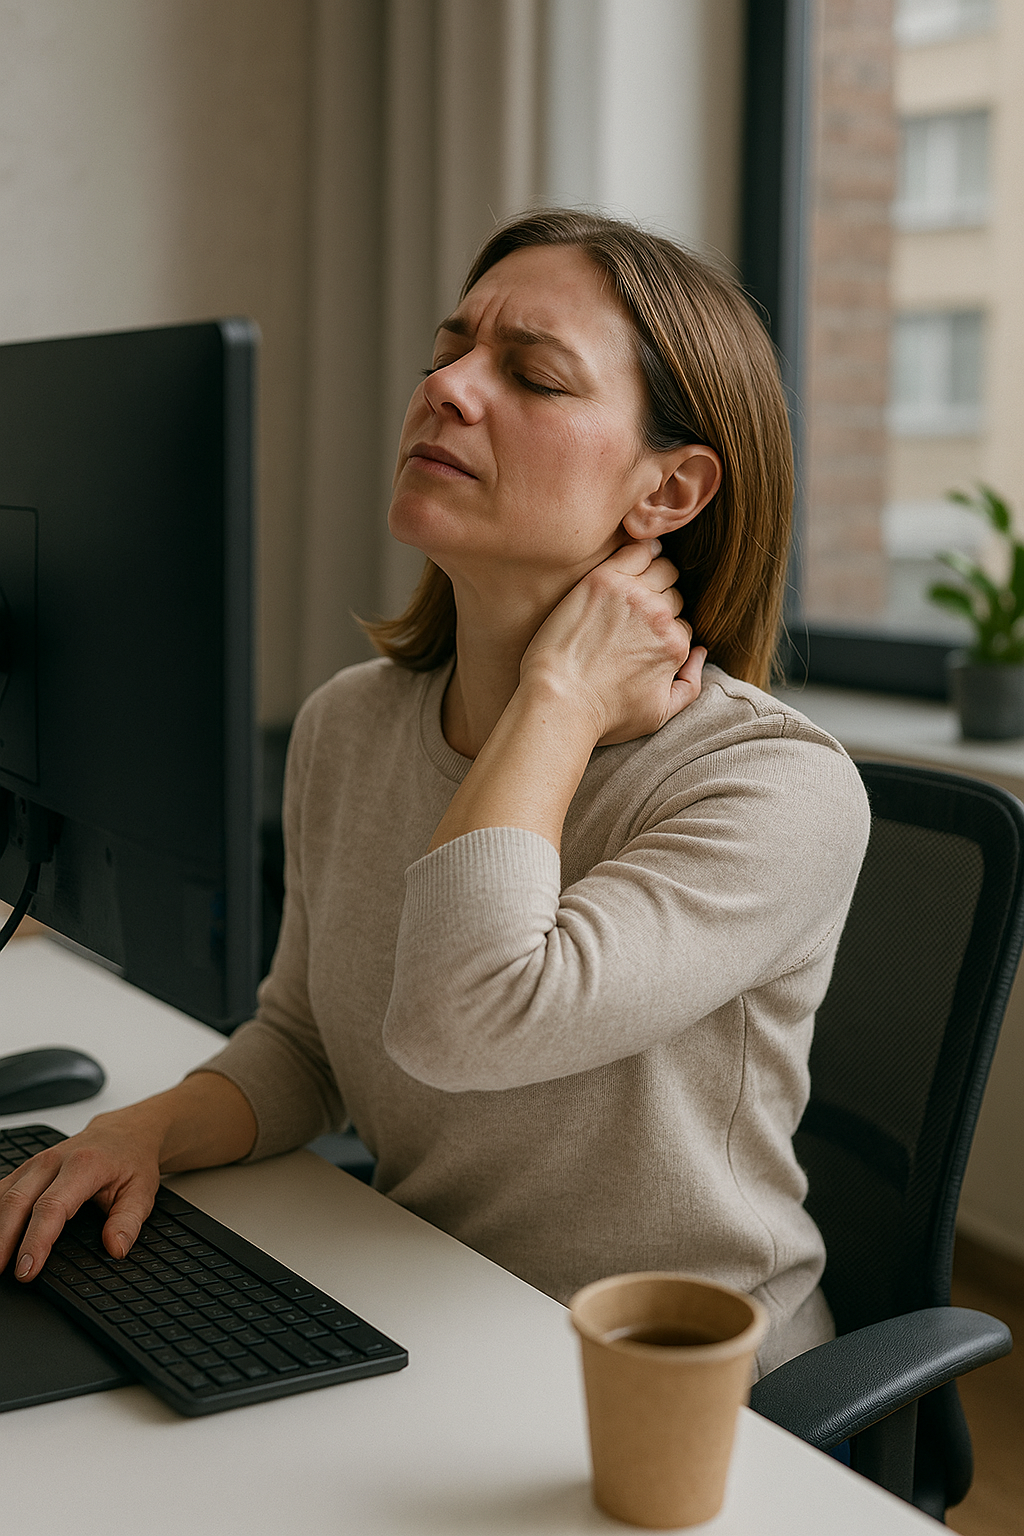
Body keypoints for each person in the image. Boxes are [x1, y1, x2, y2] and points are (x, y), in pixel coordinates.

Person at [0, 210, 869, 1376]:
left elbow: (467, 1022)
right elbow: (310, 1047)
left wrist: (556, 700)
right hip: (424, 1305)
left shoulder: (770, 787)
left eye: (532, 376)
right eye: (448, 350)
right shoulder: (351, 723)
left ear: (668, 491)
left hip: (666, 1387)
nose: (449, 388)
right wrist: (141, 1128)